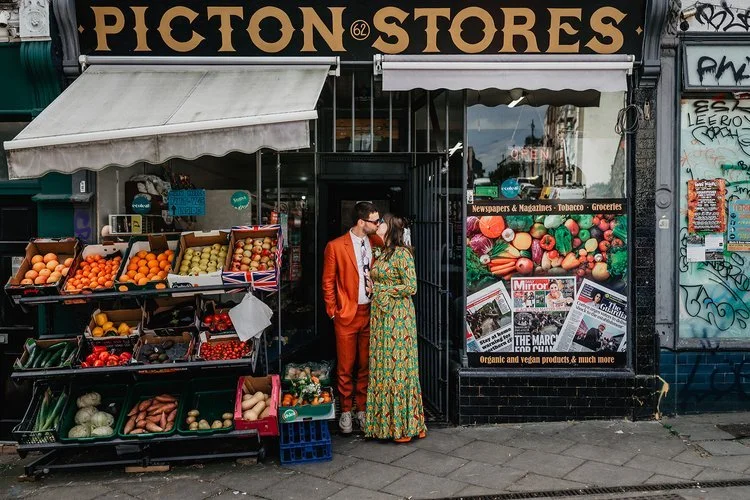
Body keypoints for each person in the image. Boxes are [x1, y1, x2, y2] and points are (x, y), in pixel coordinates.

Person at [364, 214, 427, 443]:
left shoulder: (402, 253)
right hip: (381, 317)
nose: (377, 225)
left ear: (390, 228)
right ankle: (384, 425)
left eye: (381, 223)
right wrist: (375, 286)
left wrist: (380, 289)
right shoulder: (381, 252)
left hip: (399, 319)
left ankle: (406, 425)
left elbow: (411, 286)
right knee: (383, 366)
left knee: (398, 368)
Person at [322, 201, 382, 434]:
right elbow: (327, 281)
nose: (378, 225)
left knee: (366, 365)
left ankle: (362, 409)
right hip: (347, 313)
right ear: (361, 222)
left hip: (371, 312)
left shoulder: (376, 242)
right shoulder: (336, 246)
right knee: (346, 366)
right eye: (374, 221)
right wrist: (333, 310)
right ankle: (345, 410)